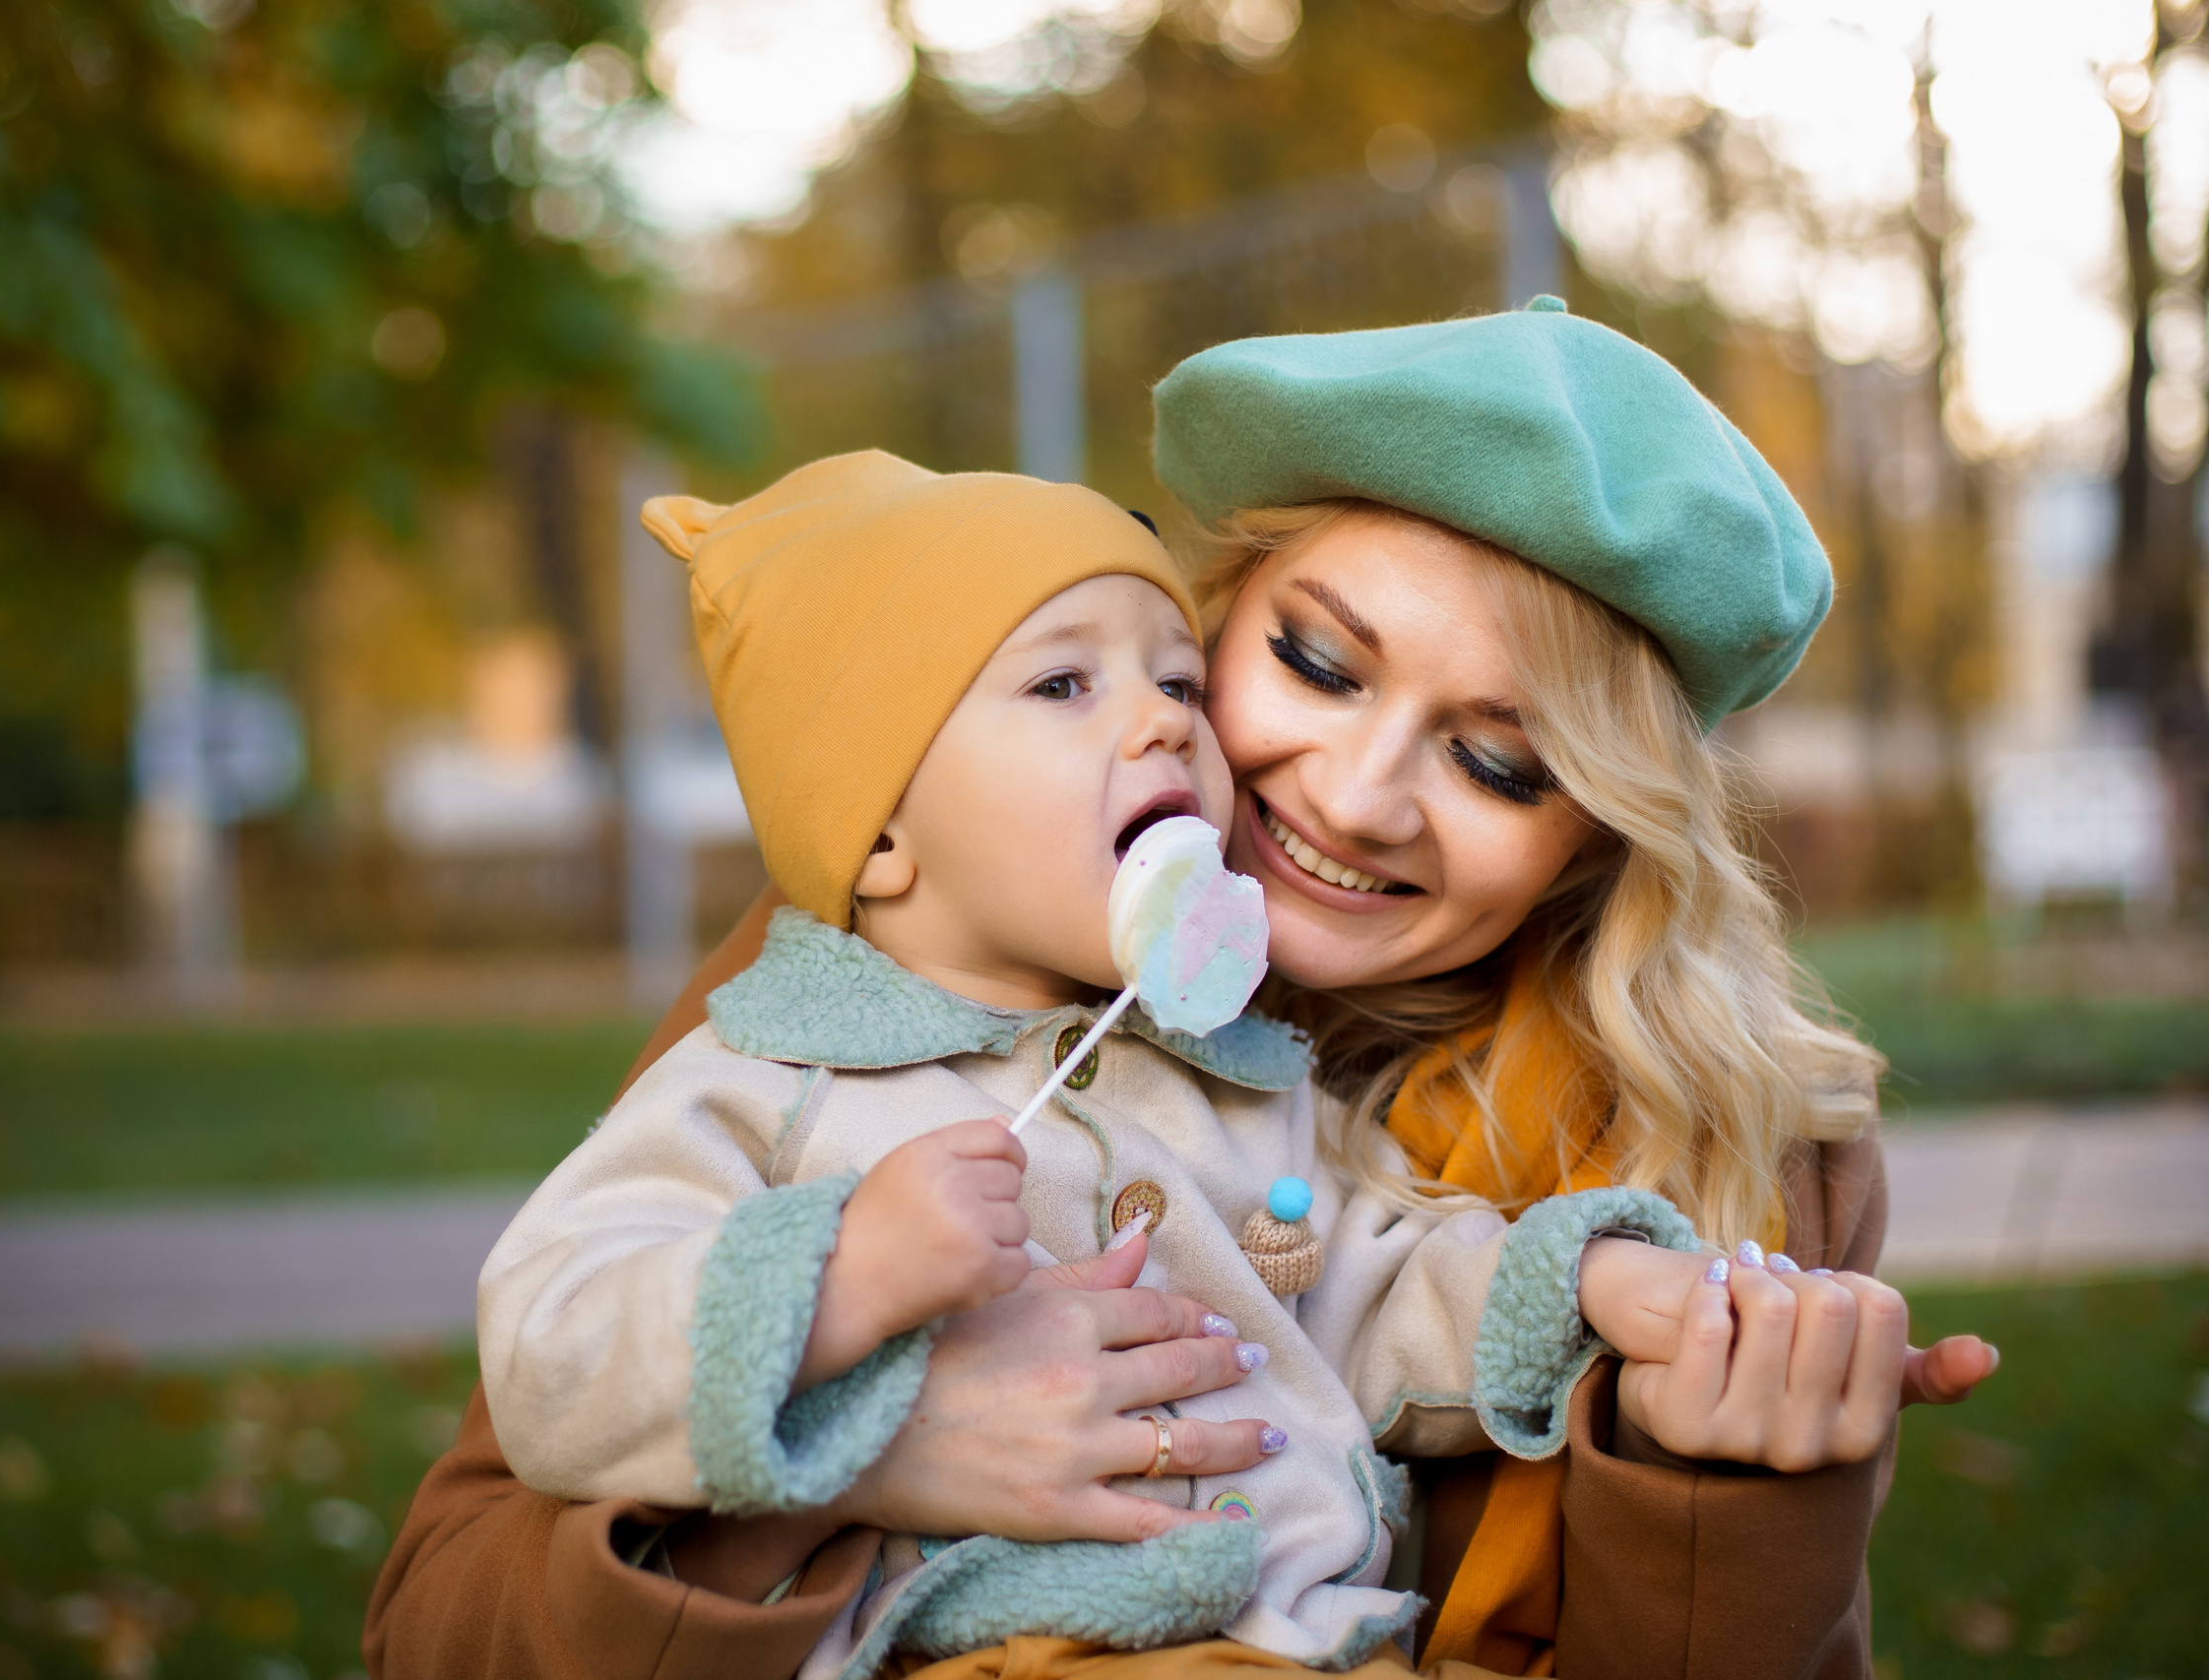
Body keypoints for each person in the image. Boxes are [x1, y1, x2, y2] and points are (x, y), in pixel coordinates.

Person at [366, 300, 1998, 1680]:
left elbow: (1384, 1283)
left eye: (1498, 758)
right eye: (1315, 660)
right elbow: (447, 1606)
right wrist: (867, 1452)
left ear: (1595, 838)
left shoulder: (1731, 1157)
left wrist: (1709, 1462)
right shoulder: (863, 973)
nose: (1354, 798)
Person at [473, 449, 1721, 1679]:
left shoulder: (1227, 1083)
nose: (1161, 721)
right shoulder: (765, 1084)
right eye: (1064, 685)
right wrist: (833, 1283)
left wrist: (1587, 1285)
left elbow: (1376, 1292)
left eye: (1178, 680)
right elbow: (553, 1348)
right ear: (880, 832)